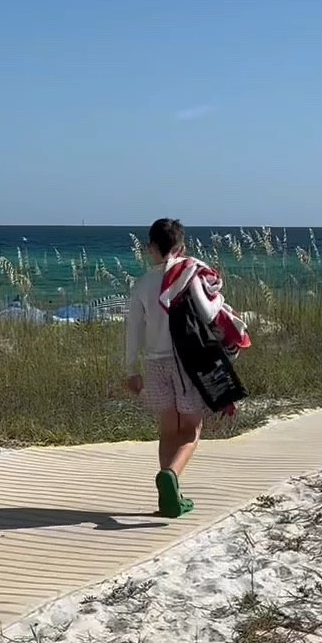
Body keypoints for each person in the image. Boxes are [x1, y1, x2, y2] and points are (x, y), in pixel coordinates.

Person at [124, 217, 204, 518]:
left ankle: (168, 499)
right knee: (192, 431)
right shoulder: (190, 276)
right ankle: (171, 476)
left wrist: (131, 369)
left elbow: (133, 329)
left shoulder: (142, 284)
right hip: (186, 363)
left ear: (151, 248)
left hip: (154, 363)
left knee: (168, 429)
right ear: (181, 247)